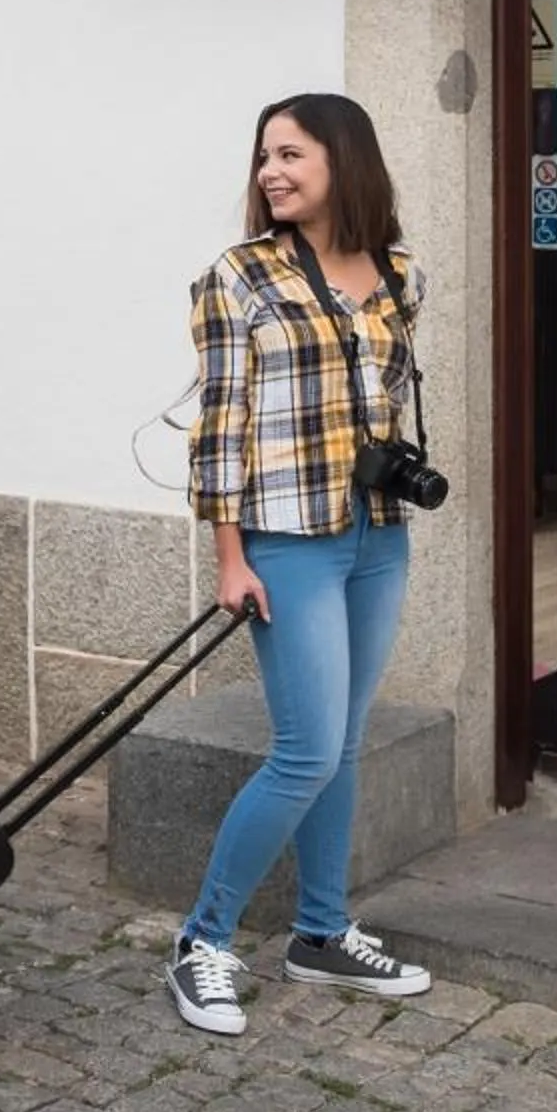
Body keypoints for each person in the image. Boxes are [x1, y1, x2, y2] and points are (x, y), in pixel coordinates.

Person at [168, 92, 435, 1037]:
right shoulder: (238, 277)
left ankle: (320, 934)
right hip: (286, 542)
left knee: (345, 745)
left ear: (344, 161)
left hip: (377, 535)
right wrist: (229, 556)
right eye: (264, 157)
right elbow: (220, 428)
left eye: (291, 154)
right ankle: (203, 942)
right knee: (306, 751)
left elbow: (386, 410)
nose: (271, 172)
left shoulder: (400, 274)